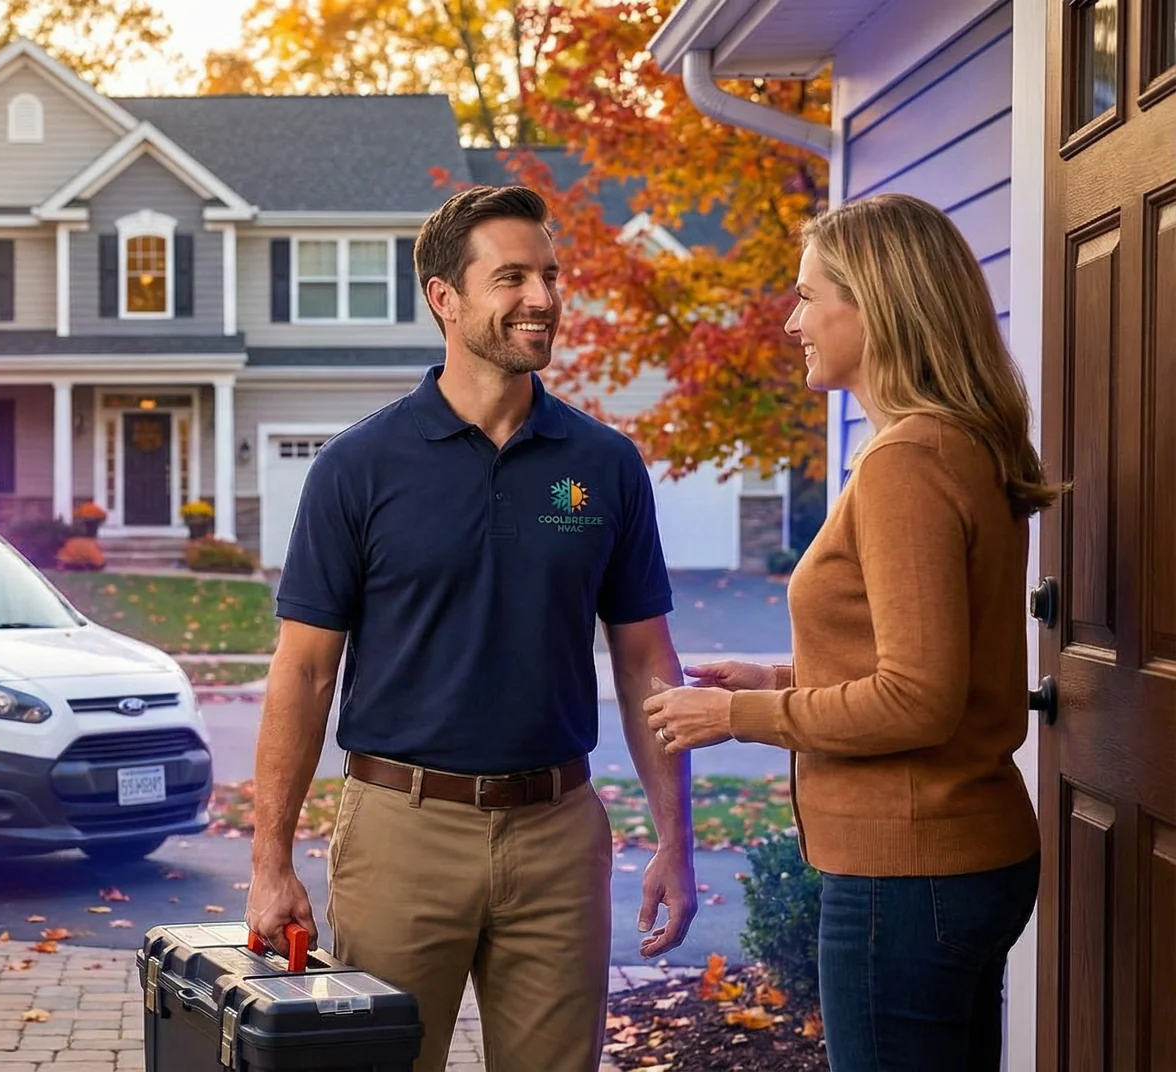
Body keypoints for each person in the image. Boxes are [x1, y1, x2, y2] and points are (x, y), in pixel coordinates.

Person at [244, 184, 699, 1072]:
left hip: (559, 832)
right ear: (444, 297)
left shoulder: (604, 467)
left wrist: (674, 842)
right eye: (513, 277)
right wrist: (271, 860)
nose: (543, 298)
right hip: (400, 831)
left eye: (551, 276)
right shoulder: (356, 469)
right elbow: (301, 675)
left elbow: (648, 663)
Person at [645, 191, 1057, 1072]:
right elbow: (924, 655)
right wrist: (777, 678)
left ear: (875, 304)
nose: (792, 321)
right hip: (960, 860)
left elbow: (916, 701)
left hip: (909, 874)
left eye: (806, 296)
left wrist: (735, 721)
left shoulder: (907, 463)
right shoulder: (956, 446)